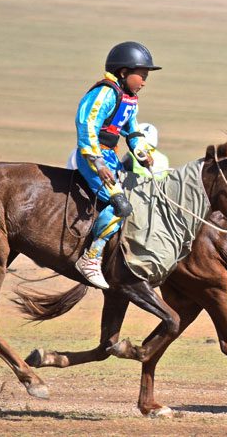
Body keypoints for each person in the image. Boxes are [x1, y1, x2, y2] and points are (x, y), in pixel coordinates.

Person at [73, 41, 161, 289]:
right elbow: (87, 126)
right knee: (121, 204)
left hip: (111, 155)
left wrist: (142, 152)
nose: (144, 81)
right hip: (93, 156)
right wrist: (97, 161)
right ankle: (91, 258)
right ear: (123, 72)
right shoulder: (104, 94)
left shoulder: (129, 98)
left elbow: (131, 131)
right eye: (141, 75)